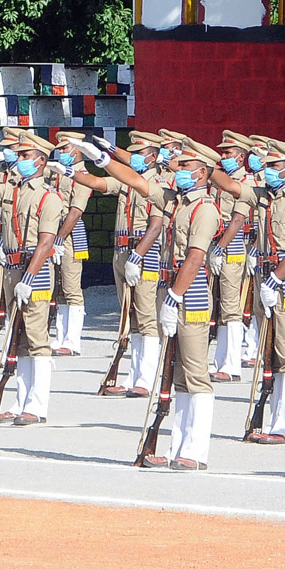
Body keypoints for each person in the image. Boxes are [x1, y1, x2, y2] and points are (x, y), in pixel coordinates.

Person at [81, 135, 222, 470]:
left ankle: (196, 451)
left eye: (185, 166)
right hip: (168, 288)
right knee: (176, 375)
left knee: (195, 373)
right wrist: (102, 160)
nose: (179, 170)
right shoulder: (176, 201)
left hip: (189, 293)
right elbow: (137, 183)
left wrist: (174, 298)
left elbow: (194, 257)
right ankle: (178, 449)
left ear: (201, 173)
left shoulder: (205, 210)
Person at [214, 139, 285, 443]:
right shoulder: (263, 197)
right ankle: (270, 419)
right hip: (263, 276)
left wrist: (275, 281)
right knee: (267, 350)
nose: (267, 170)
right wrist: (206, 164)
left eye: (273, 166)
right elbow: (230, 187)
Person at [0, 131, 64, 425]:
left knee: (36, 338)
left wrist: (30, 277)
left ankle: (37, 405)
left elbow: (46, 241)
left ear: (39, 162)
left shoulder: (48, 197)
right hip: (11, 270)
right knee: (18, 336)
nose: (17, 160)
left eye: (23, 156)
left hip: (32, 271)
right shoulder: (14, 190)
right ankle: (20, 400)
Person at [67, 131, 164, 397]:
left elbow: (155, 226)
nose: (134, 159)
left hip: (143, 254)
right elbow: (99, 183)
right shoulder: (127, 182)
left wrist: (138, 255)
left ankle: (146, 379)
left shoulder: (161, 183)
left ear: (153, 157)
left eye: (139, 154)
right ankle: (133, 376)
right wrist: (69, 173)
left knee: (146, 317)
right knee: (128, 317)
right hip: (121, 252)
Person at [206, 131, 257, 382]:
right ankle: (220, 360)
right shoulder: (221, 179)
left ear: (240, 157)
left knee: (231, 305)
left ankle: (231, 363)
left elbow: (238, 219)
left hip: (232, 244)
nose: (223, 156)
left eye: (227, 153)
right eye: (222, 152)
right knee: (216, 304)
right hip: (214, 241)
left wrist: (220, 248)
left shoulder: (245, 182)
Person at [48, 132, 92, 355]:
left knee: (71, 286)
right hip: (54, 232)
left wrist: (59, 240)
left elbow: (75, 212)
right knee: (59, 288)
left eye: (65, 149)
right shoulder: (59, 174)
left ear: (76, 150)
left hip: (70, 236)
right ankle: (60, 337)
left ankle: (73, 340)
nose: (61, 152)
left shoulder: (82, 176)